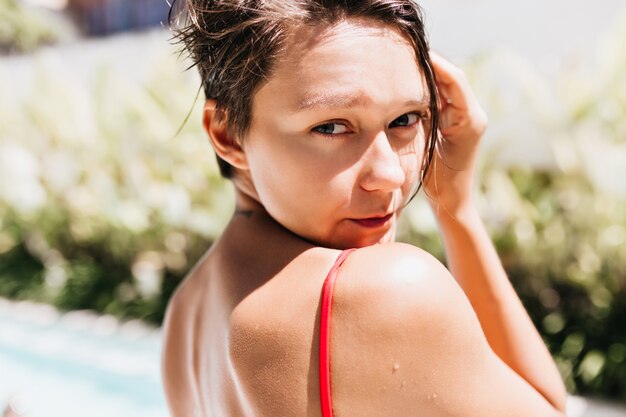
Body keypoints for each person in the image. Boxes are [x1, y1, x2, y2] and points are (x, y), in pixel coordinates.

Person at [161, 1, 567, 416]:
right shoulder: (380, 294)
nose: (389, 173)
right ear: (227, 134)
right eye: (332, 127)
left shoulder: (185, 320)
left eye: (406, 118)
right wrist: (457, 211)